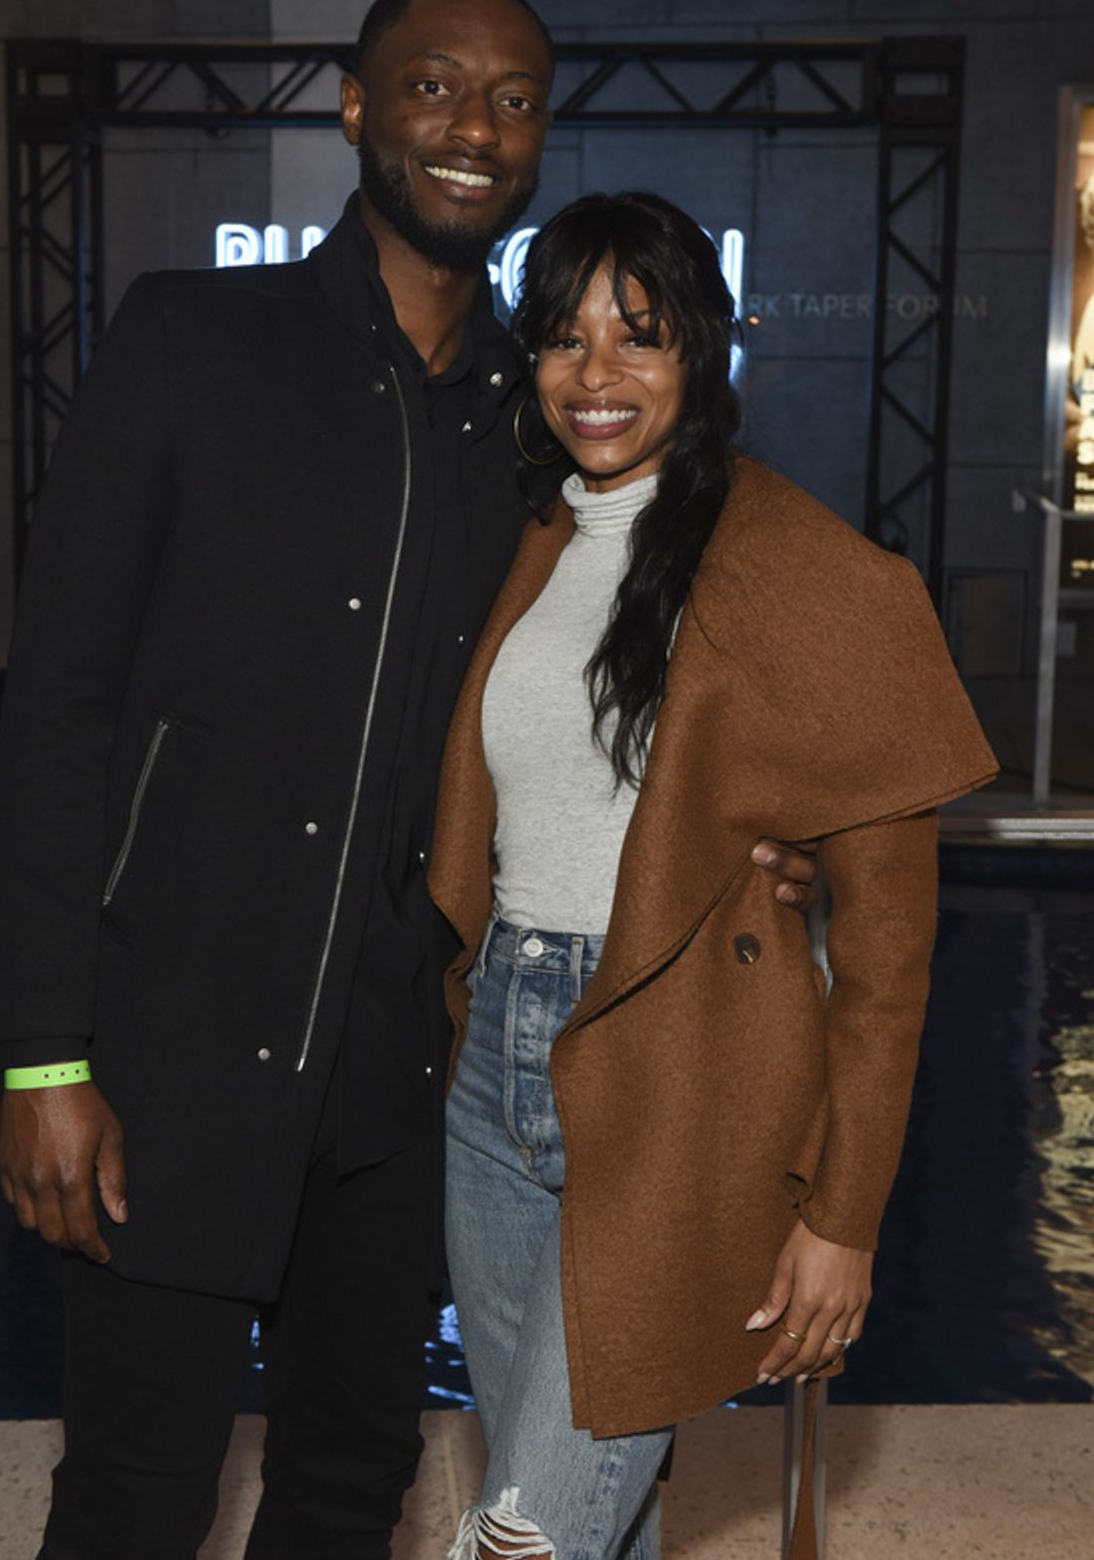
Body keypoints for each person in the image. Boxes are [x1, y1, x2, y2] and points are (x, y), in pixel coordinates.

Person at [0, 0, 815, 1560]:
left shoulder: (533, 420)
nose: (473, 127)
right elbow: (61, 712)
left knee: (352, 1481)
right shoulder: (187, 341)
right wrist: (40, 1052)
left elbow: (660, 656)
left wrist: (769, 832)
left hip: (393, 1083)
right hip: (164, 1055)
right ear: (357, 107)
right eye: (434, 86)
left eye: (511, 101)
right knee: (130, 1494)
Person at [428, 192, 997, 1560]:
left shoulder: (813, 577)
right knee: (581, 1512)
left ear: (704, 351)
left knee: (525, 1537)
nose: (598, 376)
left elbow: (887, 964)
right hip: (497, 1063)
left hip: (689, 1080)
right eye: (564, 340)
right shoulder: (537, 544)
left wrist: (840, 1217)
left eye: (640, 335)